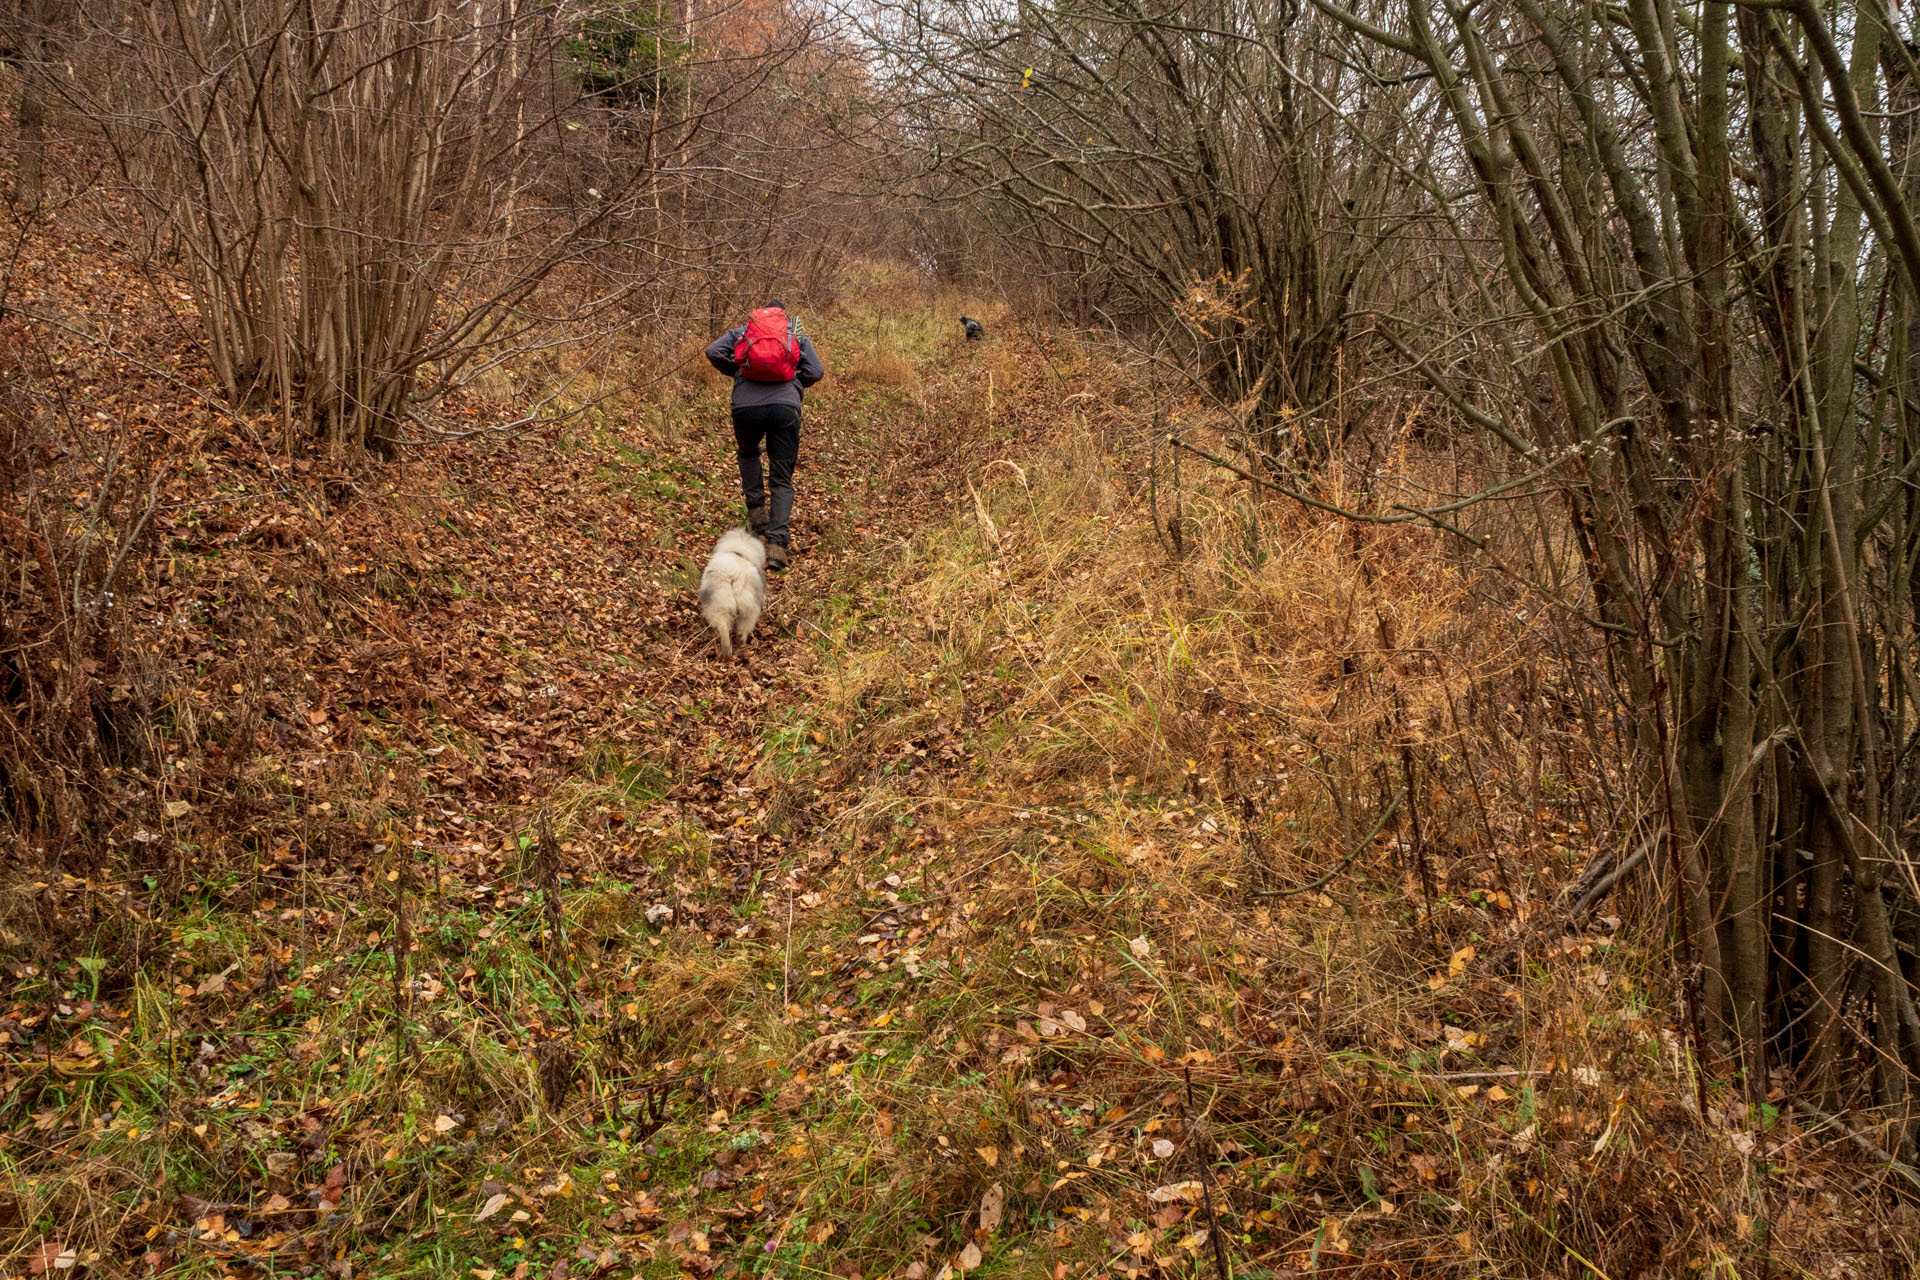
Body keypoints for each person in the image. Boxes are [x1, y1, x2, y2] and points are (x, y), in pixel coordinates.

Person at [704, 301, 825, 571]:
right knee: (781, 478)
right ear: (784, 316)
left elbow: (713, 351)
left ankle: (757, 515)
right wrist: (793, 380)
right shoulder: (795, 333)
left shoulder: (746, 331)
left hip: (745, 407)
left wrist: (739, 370)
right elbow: (816, 371)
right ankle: (777, 547)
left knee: (748, 453)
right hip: (785, 408)